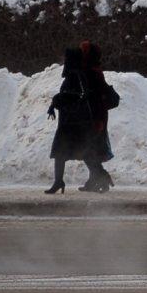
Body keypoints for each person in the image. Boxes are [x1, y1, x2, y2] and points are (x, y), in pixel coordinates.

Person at [46, 48, 92, 194]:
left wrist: (56, 100)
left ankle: (59, 182)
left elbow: (71, 96)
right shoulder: (78, 75)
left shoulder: (74, 75)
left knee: (63, 153)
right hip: (74, 122)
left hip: (71, 124)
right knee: (83, 152)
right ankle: (59, 181)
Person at [75, 40, 118, 192]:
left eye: (83, 50)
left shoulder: (91, 72)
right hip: (91, 115)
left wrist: (98, 120)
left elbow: (97, 97)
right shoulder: (91, 69)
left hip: (94, 116)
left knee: (87, 149)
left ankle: (102, 176)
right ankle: (95, 181)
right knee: (90, 149)